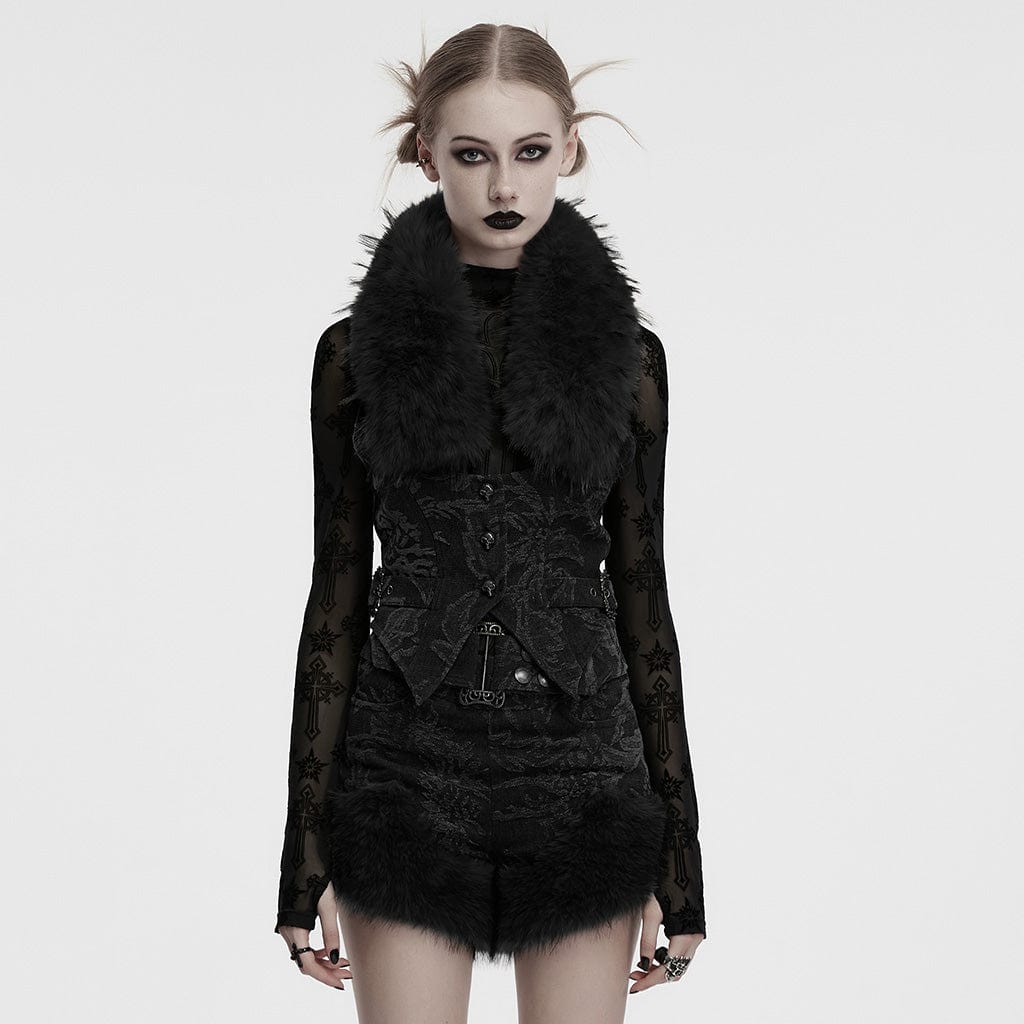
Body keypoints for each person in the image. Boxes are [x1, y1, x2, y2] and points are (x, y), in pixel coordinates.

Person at [274, 23, 706, 1023]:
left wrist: (678, 858)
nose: (503, 184)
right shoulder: (353, 354)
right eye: (472, 154)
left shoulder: (629, 360)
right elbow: (335, 599)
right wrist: (303, 855)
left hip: (583, 775)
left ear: (569, 151)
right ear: (426, 155)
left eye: (530, 151)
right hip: (403, 775)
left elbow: (643, 601)